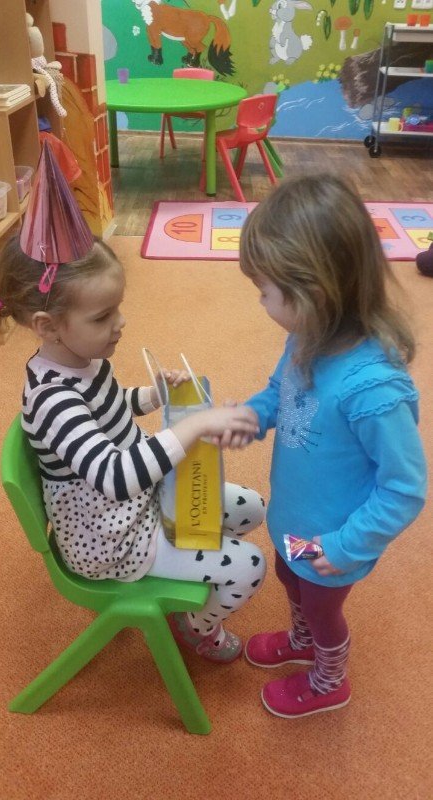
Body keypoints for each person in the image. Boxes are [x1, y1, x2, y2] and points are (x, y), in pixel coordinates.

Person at [0, 233, 267, 664]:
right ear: (48, 326)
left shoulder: (83, 359)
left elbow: (112, 403)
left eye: (117, 308)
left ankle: (192, 563)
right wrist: (193, 428)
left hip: (139, 502)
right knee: (249, 566)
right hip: (112, 537)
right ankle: (196, 627)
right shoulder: (52, 400)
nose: (120, 323)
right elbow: (116, 478)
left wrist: (153, 397)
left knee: (252, 508)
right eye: (103, 316)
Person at [238, 174, 427, 717]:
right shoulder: (306, 336)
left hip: (333, 540)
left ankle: (328, 679)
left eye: (265, 291)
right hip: (296, 522)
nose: (260, 302)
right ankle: (301, 641)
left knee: (322, 608)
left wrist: (345, 547)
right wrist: (253, 414)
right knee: (288, 575)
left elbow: (405, 488)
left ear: (313, 293)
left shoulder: (373, 389)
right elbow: (279, 391)